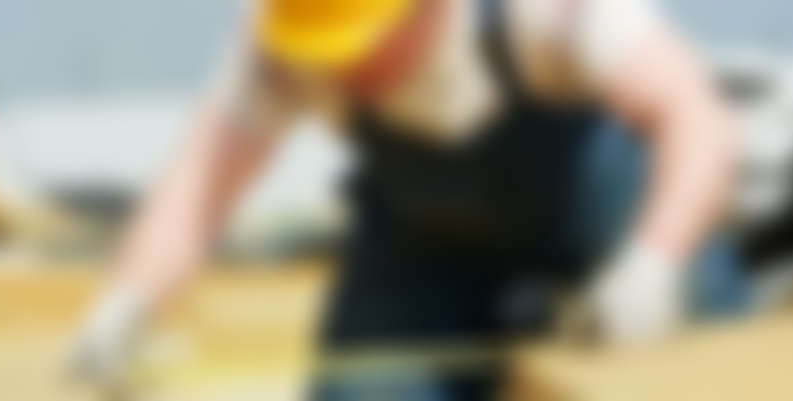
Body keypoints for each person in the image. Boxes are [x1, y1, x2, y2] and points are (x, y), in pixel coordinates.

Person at [72, 0, 747, 399]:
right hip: (427, 249)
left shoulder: (545, 12)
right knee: (366, 390)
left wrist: (655, 262)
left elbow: (697, 119)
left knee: (694, 355)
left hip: (602, 217)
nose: (338, 67)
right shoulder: (286, 41)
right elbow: (196, 190)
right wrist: (127, 302)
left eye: (358, 44)